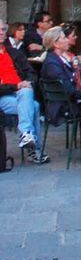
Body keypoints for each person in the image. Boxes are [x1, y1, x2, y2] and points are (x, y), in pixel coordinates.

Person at [0, 19, 48, 164]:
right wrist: (16, 86)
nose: (1, 33)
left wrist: (27, 83)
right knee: (33, 106)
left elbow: (30, 72)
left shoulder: (13, 52)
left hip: (19, 94)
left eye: (3, 29)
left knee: (27, 95)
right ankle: (33, 148)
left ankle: (26, 134)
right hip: (3, 96)